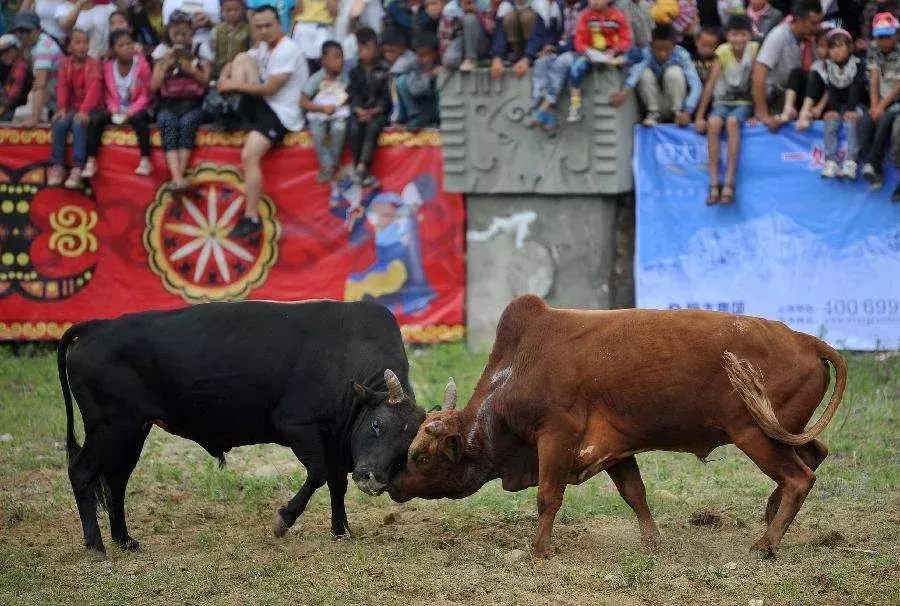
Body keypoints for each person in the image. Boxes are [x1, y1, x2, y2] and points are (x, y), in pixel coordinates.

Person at [217, 5, 308, 237]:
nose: (264, 30)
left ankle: (251, 216)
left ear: (280, 25)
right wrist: (224, 76)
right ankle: (231, 109)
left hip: (283, 113)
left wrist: (231, 85)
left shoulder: (287, 49)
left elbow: (268, 89)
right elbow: (238, 61)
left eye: (269, 25)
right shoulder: (265, 47)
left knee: (249, 155)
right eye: (259, 27)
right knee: (240, 58)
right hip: (266, 106)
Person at [694, 14, 758, 205]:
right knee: (714, 123)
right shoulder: (722, 52)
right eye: (734, 35)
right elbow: (710, 84)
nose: (739, 39)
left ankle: (729, 183)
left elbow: (757, 83)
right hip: (722, 102)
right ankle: (714, 183)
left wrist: (756, 113)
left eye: (743, 34)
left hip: (743, 102)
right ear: (728, 36)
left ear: (750, 35)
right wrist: (699, 116)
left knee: (732, 123)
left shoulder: (754, 50)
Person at [150, 9, 212, 193]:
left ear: (191, 32)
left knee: (187, 123)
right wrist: (165, 66)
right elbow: (153, 87)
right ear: (168, 32)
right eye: (175, 33)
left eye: (184, 33)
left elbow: (207, 82)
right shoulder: (161, 51)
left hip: (195, 103)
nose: (179, 37)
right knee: (166, 122)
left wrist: (191, 68)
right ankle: (178, 178)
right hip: (170, 104)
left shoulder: (201, 48)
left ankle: (179, 176)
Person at [85, 29, 155, 178]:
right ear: (114, 50)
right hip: (117, 110)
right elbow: (108, 95)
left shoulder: (142, 65)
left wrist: (130, 112)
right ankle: (91, 161)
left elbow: (145, 95)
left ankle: (145, 160)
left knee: (139, 119)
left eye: (129, 44)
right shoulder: (108, 66)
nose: (127, 48)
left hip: (139, 108)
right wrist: (114, 110)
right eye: (121, 45)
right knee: (96, 119)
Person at [796, 28, 865, 179]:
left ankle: (851, 161)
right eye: (832, 47)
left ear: (850, 48)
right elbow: (832, 89)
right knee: (830, 122)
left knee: (851, 123)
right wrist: (832, 109)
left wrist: (850, 109)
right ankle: (831, 161)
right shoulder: (830, 66)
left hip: (857, 104)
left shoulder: (858, 64)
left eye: (840, 47)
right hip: (839, 105)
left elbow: (857, 87)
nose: (836, 51)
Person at [751, 0, 824, 132]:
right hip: (776, 96)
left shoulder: (814, 39)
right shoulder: (778, 35)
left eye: (819, 22)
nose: (818, 27)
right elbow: (759, 73)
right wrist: (763, 114)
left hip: (799, 93)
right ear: (799, 20)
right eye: (813, 23)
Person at [610, 23, 701, 126]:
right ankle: (653, 114)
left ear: (674, 46)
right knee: (644, 73)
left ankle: (677, 113)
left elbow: (695, 83)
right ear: (652, 45)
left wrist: (688, 110)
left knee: (674, 72)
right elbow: (637, 71)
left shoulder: (682, 54)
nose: (662, 54)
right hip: (654, 103)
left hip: (674, 103)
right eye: (658, 49)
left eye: (667, 49)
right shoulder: (646, 52)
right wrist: (624, 92)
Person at [49, 29, 103, 188]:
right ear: (69, 46)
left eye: (85, 42)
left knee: (79, 125)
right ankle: (57, 165)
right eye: (77, 42)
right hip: (73, 107)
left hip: (93, 107)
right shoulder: (65, 64)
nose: (82, 46)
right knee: (59, 123)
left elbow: (94, 89)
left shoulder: (93, 64)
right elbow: (62, 87)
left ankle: (78, 166)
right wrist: (61, 108)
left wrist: (85, 110)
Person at [567, 0, 632, 121]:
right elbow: (579, 40)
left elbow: (626, 39)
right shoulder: (585, 16)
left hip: (613, 55)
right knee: (576, 69)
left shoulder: (617, 16)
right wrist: (587, 51)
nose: (593, 2)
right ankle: (575, 105)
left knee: (629, 59)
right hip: (592, 55)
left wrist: (615, 50)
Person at [858, 12, 900, 192]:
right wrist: (875, 106)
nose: (883, 41)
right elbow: (873, 78)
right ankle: (875, 172)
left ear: (896, 35)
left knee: (885, 120)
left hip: (897, 100)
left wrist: (882, 107)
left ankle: (872, 163)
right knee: (867, 121)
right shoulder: (874, 50)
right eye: (880, 37)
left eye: (887, 36)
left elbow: (899, 85)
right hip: (881, 99)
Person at [346, 26, 390, 185]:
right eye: (361, 48)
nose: (364, 52)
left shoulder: (384, 69)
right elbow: (352, 95)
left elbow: (387, 97)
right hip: (360, 112)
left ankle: (362, 166)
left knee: (372, 127)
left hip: (378, 113)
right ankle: (360, 170)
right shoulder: (354, 71)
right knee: (353, 127)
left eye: (368, 47)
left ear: (376, 48)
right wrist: (358, 109)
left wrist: (376, 110)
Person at [301, 40, 349, 182]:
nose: (340, 61)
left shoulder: (344, 77)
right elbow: (303, 102)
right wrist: (322, 108)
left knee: (339, 131)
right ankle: (328, 165)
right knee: (318, 135)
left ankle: (332, 165)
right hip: (318, 114)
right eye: (335, 57)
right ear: (323, 60)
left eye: (341, 57)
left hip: (338, 113)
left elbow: (349, 93)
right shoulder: (316, 78)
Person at [529, 0, 583, 129]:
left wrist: (557, 47)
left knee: (561, 62)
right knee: (542, 62)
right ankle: (548, 111)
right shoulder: (558, 7)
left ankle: (544, 107)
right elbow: (551, 32)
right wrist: (548, 45)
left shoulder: (585, 7)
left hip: (578, 52)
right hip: (560, 48)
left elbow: (580, 39)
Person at [13, 10, 64, 128]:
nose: (24, 35)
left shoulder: (43, 48)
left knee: (20, 119)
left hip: (61, 101)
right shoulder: (35, 43)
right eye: (20, 31)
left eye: (28, 31)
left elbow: (41, 85)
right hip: (51, 98)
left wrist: (34, 117)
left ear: (39, 29)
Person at [397, 30, 441, 127]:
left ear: (435, 53)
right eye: (419, 55)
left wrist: (436, 75)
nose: (422, 59)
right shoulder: (416, 67)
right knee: (401, 81)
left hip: (437, 109)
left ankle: (439, 119)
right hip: (422, 108)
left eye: (426, 55)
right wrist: (428, 76)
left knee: (441, 82)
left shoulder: (441, 66)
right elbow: (415, 90)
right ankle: (416, 116)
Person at [489, 0, 539, 78]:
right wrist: (497, 58)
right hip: (517, 48)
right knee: (510, 18)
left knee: (527, 17)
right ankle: (516, 56)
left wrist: (527, 58)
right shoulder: (506, 5)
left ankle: (529, 59)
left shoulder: (539, 4)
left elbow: (539, 35)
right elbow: (500, 34)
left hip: (536, 50)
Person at [440, 0, 492, 71]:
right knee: (450, 61)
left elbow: (491, 31)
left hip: (481, 43)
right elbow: (445, 36)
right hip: (461, 41)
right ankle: (462, 60)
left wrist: (476, 13)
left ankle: (471, 59)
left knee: (470, 18)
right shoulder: (450, 8)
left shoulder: (486, 4)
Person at [382, 25, 419, 124]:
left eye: (392, 51)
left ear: (403, 47)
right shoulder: (392, 61)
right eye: (386, 51)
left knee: (397, 82)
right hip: (407, 96)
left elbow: (393, 76)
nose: (389, 55)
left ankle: (411, 115)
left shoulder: (408, 58)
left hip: (418, 96)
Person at [291, 0, 338, 71]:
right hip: (303, 26)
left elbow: (334, 12)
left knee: (325, 64)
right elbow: (297, 10)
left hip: (323, 27)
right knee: (301, 65)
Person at [209, 0, 249, 77]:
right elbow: (213, 53)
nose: (233, 13)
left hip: (241, 71)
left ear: (243, 10)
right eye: (228, 10)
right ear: (221, 10)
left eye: (236, 9)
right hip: (220, 72)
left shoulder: (248, 29)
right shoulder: (216, 30)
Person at [0, 34, 33, 122]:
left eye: (6, 51)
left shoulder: (20, 66)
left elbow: (13, 96)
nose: (3, 56)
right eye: (1, 53)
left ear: (15, 49)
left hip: (17, 109)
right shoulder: (13, 66)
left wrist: (2, 106)